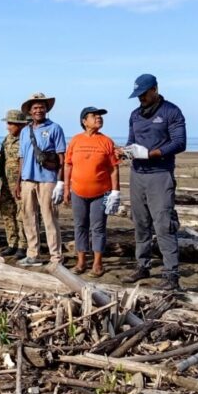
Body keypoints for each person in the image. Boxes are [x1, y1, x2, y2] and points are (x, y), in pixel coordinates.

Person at [120, 74, 187, 290]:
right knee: (140, 222)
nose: (141, 98)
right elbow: (131, 141)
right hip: (137, 174)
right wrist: (126, 151)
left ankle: (171, 274)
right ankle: (142, 265)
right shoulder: (135, 115)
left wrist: (153, 153)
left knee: (163, 224)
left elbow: (179, 143)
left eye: (144, 94)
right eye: (137, 95)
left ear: (154, 89)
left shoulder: (171, 111)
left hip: (160, 174)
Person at [62, 107, 121, 277]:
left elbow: (113, 169)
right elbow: (68, 165)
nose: (98, 118)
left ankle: (97, 263)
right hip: (78, 192)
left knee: (98, 227)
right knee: (80, 226)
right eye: (94, 116)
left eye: (100, 116)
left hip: (101, 193)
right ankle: (81, 261)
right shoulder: (75, 140)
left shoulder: (106, 141)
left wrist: (115, 192)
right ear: (84, 121)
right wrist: (66, 188)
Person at [16, 92, 66, 267]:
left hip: (47, 180)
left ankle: (56, 257)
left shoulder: (55, 128)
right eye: (35, 107)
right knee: (28, 217)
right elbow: (22, 157)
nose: (39, 110)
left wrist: (60, 183)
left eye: (42, 107)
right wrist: (18, 182)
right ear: (30, 111)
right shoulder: (25, 131)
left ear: (46, 109)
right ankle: (33, 254)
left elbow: (61, 157)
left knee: (49, 218)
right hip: (27, 179)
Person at [0, 109, 29, 259]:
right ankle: (12, 243)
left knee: (22, 214)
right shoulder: (7, 139)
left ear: (20, 124)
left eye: (11, 124)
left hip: (22, 184)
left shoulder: (27, 139)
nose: (8, 127)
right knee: (7, 212)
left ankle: (23, 245)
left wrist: (20, 183)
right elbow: (1, 160)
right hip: (6, 183)